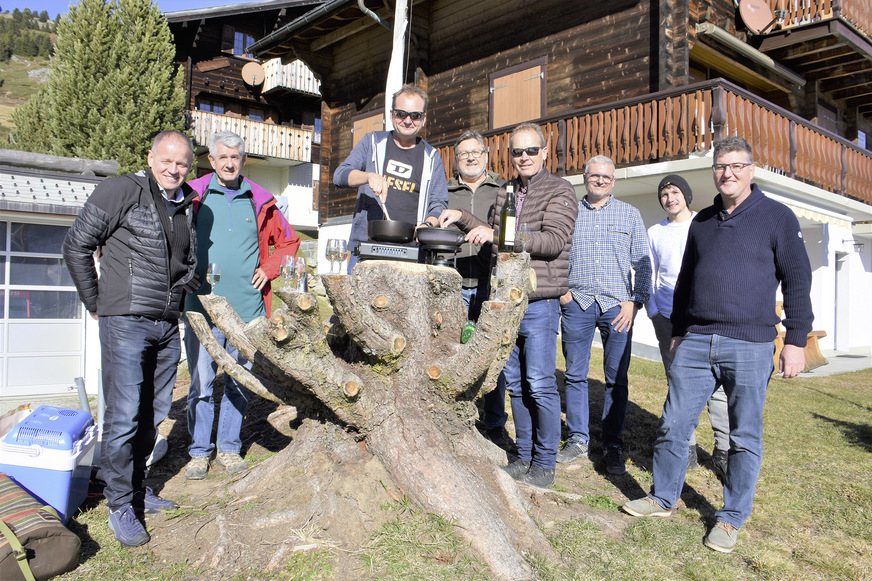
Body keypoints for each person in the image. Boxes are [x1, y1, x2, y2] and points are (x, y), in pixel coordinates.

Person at [622, 137, 814, 554]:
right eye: (720, 166)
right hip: (695, 339)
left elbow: (798, 279)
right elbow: (687, 280)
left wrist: (796, 340)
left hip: (751, 343)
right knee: (674, 423)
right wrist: (679, 329)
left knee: (743, 435)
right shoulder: (703, 221)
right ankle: (663, 496)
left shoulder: (777, 217)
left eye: (736, 165)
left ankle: (730, 517)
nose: (728, 173)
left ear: (751, 169)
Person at [62, 130, 197, 547]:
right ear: (150, 157)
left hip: (166, 324)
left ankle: (136, 490)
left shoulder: (186, 203)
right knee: (123, 417)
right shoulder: (121, 190)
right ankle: (119, 503)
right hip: (125, 322)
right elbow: (76, 246)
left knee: (152, 414)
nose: (173, 169)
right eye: (166, 160)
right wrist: (96, 303)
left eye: (182, 163)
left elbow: (179, 262)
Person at [440, 122, 577, 487]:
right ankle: (524, 456)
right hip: (505, 300)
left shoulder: (560, 189)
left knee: (540, 383)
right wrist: (462, 218)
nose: (524, 157)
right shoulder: (508, 190)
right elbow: (490, 234)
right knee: (515, 383)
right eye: (517, 152)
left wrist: (499, 234)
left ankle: (545, 464)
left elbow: (553, 241)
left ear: (544, 153)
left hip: (538, 301)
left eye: (531, 150)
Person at [183, 130, 300, 480]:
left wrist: (270, 268)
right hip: (201, 308)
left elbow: (289, 242)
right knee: (201, 384)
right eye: (223, 157)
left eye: (235, 157)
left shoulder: (260, 200)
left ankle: (229, 448)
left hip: (247, 310)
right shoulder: (193, 195)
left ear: (244, 160)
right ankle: (199, 452)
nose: (229, 163)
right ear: (211, 160)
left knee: (239, 381)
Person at [557, 155, 651, 476]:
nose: (600, 180)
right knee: (574, 374)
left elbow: (643, 263)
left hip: (618, 307)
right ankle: (578, 439)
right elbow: (556, 254)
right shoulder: (569, 213)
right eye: (594, 175)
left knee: (617, 379)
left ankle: (612, 444)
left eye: (606, 177)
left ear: (613, 181)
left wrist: (635, 302)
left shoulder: (630, 214)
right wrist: (563, 292)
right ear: (585, 177)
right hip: (577, 303)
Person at [646, 175, 729, 476]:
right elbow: (649, 272)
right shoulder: (655, 232)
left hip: (703, 318)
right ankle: (686, 445)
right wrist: (654, 312)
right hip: (668, 318)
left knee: (717, 383)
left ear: (687, 196)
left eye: (675, 192)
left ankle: (724, 448)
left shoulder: (705, 223)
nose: (670, 198)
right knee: (678, 381)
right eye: (664, 194)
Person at [334, 84, 448, 271]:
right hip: (366, 247)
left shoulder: (432, 157)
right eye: (401, 114)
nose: (408, 121)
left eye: (415, 115)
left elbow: (439, 203)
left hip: (411, 252)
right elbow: (340, 175)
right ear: (391, 114)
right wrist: (368, 176)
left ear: (424, 119)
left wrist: (427, 224)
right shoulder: (372, 142)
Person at [447, 130, 511, 450]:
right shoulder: (444, 191)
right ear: (456, 159)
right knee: (453, 352)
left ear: (486, 155)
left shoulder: (503, 189)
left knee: (491, 355)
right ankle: (455, 417)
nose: (470, 157)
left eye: (476, 152)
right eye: (463, 153)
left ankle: (495, 422)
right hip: (452, 283)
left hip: (490, 284)